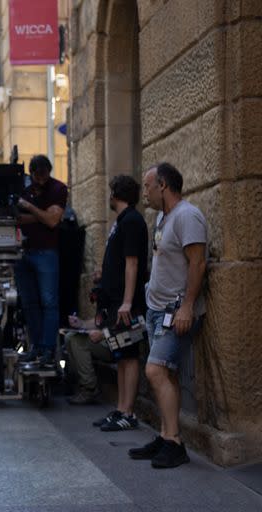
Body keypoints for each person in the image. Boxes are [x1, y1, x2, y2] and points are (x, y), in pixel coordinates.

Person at [128, 162, 207, 469]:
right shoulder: (163, 217)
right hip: (156, 310)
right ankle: (165, 436)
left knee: (155, 371)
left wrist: (187, 307)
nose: (144, 192)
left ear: (162, 185)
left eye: (147, 186)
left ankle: (175, 442)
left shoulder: (188, 216)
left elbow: (198, 264)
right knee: (167, 374)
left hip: (176, 312)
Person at [64, 176, 149, 432]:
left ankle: (128, 412)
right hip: (114, 304)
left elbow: (133, 263)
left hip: (125, 305)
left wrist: (126, 302)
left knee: (129, 356)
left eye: (110, 192)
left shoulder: (132, 221)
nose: (108, 197)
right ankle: (121, 409)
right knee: (121, 356)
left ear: (115, 194)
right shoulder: (121, 222)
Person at [15, 154, 68, 365]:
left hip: (46, 252)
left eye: (44, 175)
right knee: (30, 304)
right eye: (37, 176)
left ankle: (47, 349)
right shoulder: (25, 190)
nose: (41, 180)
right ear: (31, 174)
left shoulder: (58, 189)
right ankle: (36, 347)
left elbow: (53, 221)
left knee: (49, 303)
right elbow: (18, 219)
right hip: (24, 252)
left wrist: (30, 208)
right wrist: (42, 216)